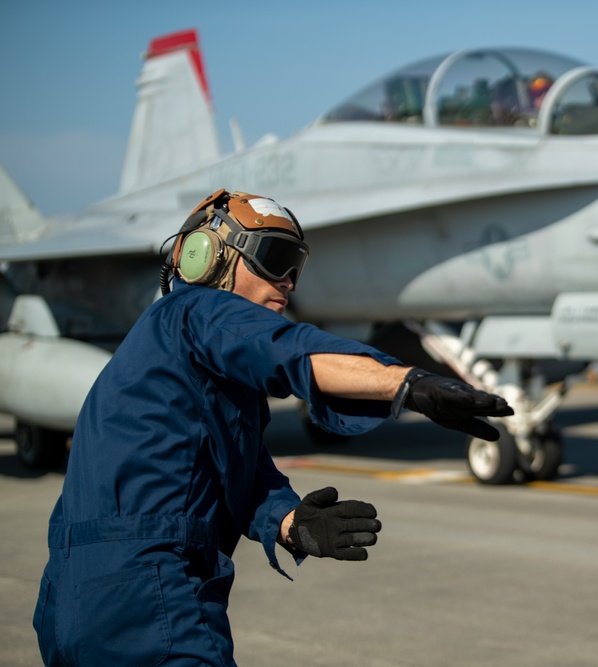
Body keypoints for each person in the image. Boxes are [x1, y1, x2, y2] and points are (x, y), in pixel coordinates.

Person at [32, 189, 513, 666]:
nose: (286, 282)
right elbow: (289, 351)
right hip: (151, 591)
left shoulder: (176, 356)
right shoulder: (195, 311)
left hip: (70, 600)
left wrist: (290, 522)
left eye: (295, 268)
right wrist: (406, 382)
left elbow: (243, 469)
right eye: (274, 258)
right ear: (208, 256)